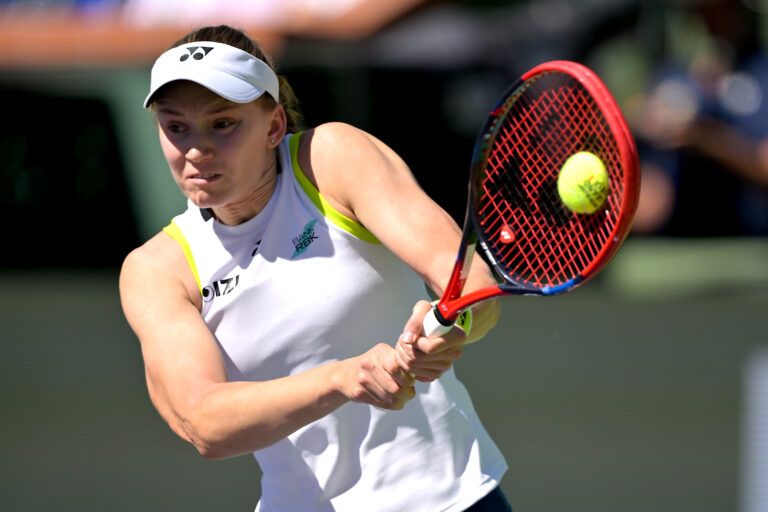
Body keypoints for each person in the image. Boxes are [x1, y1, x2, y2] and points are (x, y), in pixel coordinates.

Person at [118, 24, 511, 511]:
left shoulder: (333, 158)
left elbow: (472, 285)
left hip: (452, 499)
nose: (196, 150)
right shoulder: (157, 269)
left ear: (274, 126)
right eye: (176, 127)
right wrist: (341, 378)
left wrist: (456, 328)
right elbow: (205, 423)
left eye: (223, 124)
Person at [632, 0, 768, 236]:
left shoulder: (761, 72)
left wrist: (704, 136)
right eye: (701, 11)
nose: (709, 19)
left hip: (745, 229)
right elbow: (651, 201)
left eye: (717, 9)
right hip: (677, 231)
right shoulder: (675, 76)